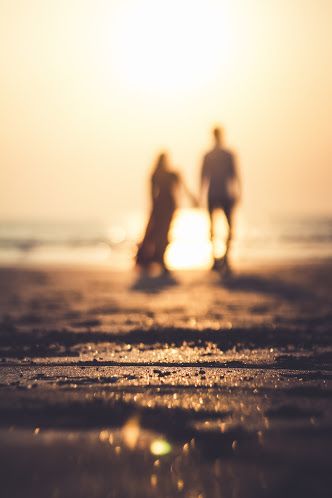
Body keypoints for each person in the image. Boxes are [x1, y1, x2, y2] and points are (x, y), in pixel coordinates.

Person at [136, 152, 196, 274]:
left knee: (157, 233)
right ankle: (156, 258)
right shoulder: (169, 174)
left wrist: (192, 199)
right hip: (166, 206)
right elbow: (183, 189)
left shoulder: (159, 174)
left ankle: (156, 258)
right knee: (161, 233)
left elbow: (152, 193)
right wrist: (192, 199)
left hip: (162, 206)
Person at [200, 127, 240, 273]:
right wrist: (238, 192)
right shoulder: (225, 154)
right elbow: (235, 175)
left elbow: (203, 177)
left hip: (217, 194)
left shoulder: (212, 155)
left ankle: (221, 258)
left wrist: (200, 195)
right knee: (224, 227)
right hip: (221, 193)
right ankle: (221, 258)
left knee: (217, 227)